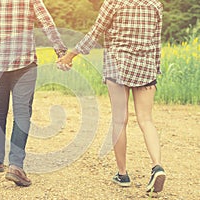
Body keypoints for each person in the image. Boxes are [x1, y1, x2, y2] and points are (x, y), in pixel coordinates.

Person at [58, 0, 166, 193]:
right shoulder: (154, 4)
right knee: (146, 120)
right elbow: (156, 42)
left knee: (119, 120)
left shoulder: (114, 3)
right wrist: (154, 69)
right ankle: (157, 166)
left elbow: (94, 33)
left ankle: (122, 174)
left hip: (118, 65)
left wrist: (70, 56)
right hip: (146, 67)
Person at [0, 0, 67, 187]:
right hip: (24, 61)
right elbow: (46, 22)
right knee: (22, 112)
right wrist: (60, 51)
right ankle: (16, 165)